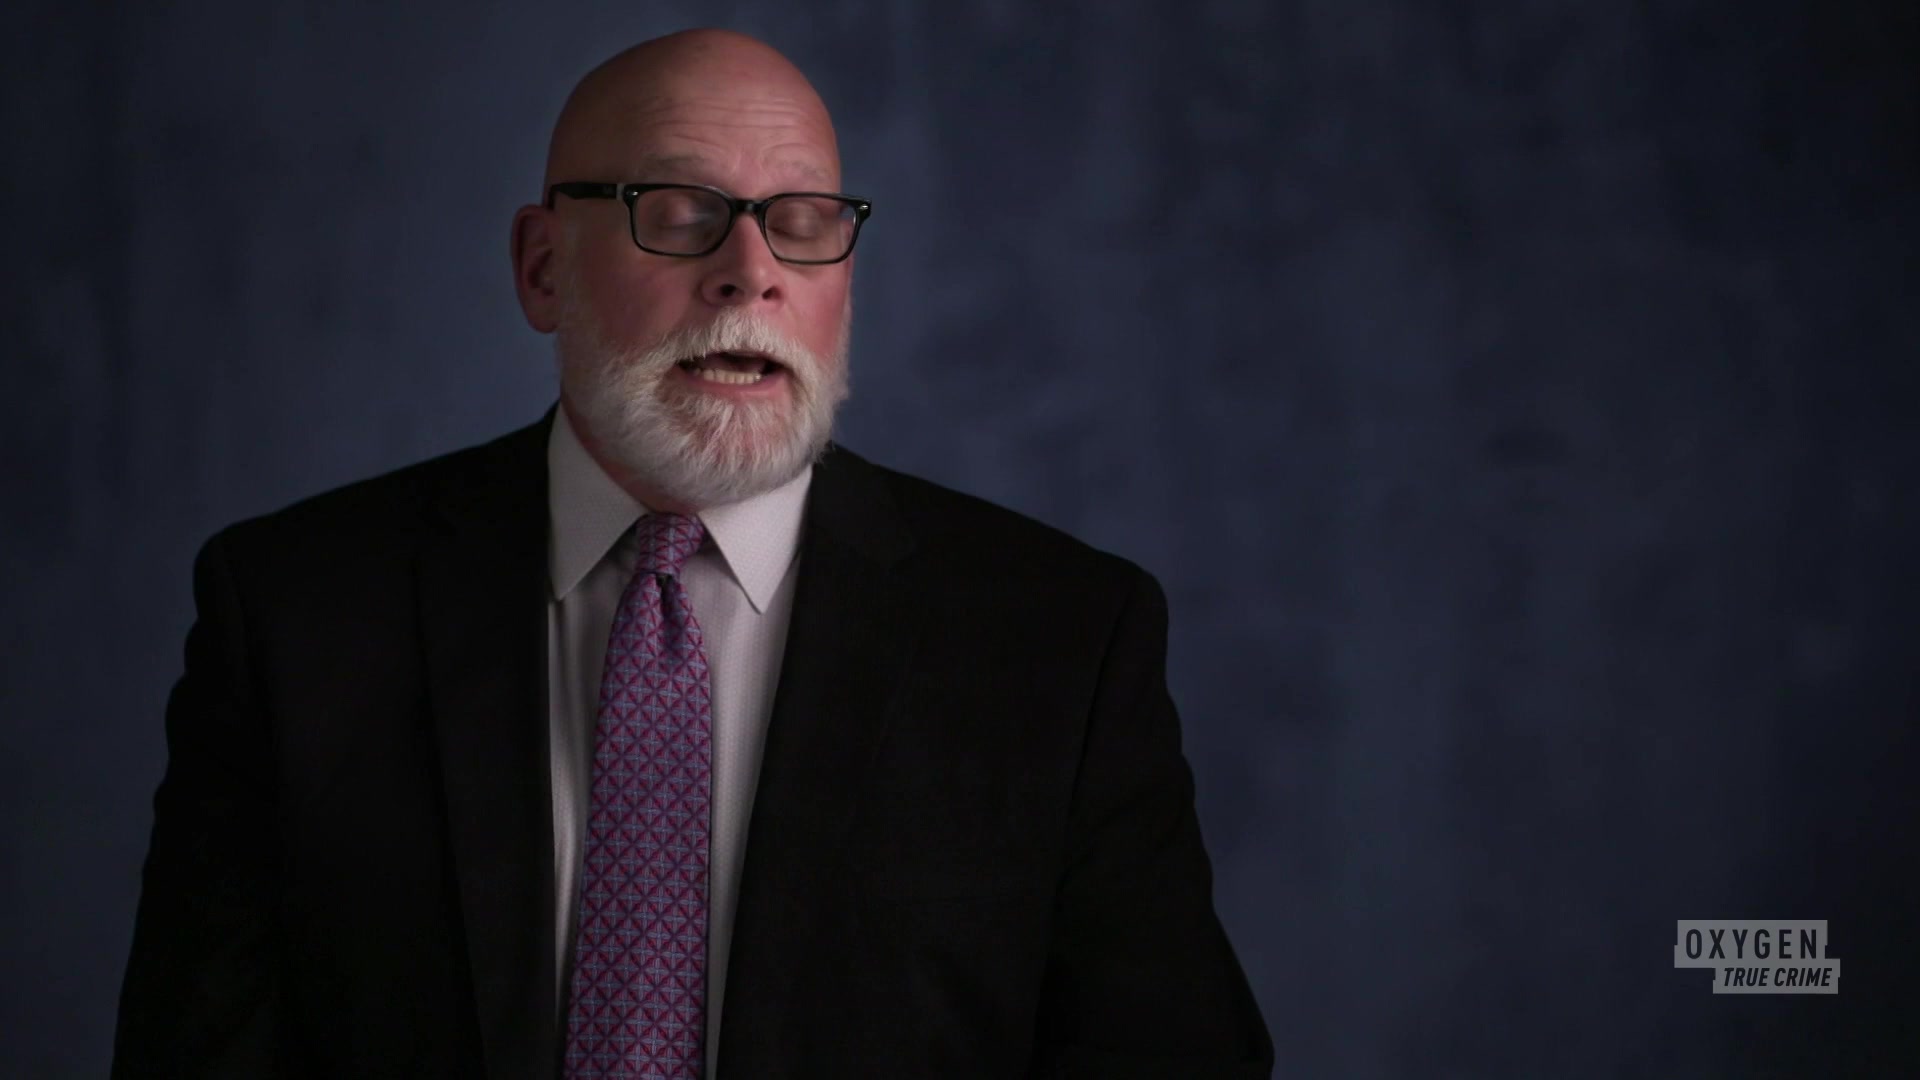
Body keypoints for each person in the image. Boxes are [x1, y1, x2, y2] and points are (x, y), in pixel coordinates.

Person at [111, 28, 1273, 1080]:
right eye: (678, 213)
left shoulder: (1063, 644)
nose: (751, 272)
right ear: (542, 268)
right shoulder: (295, 614)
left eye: (801, 222)